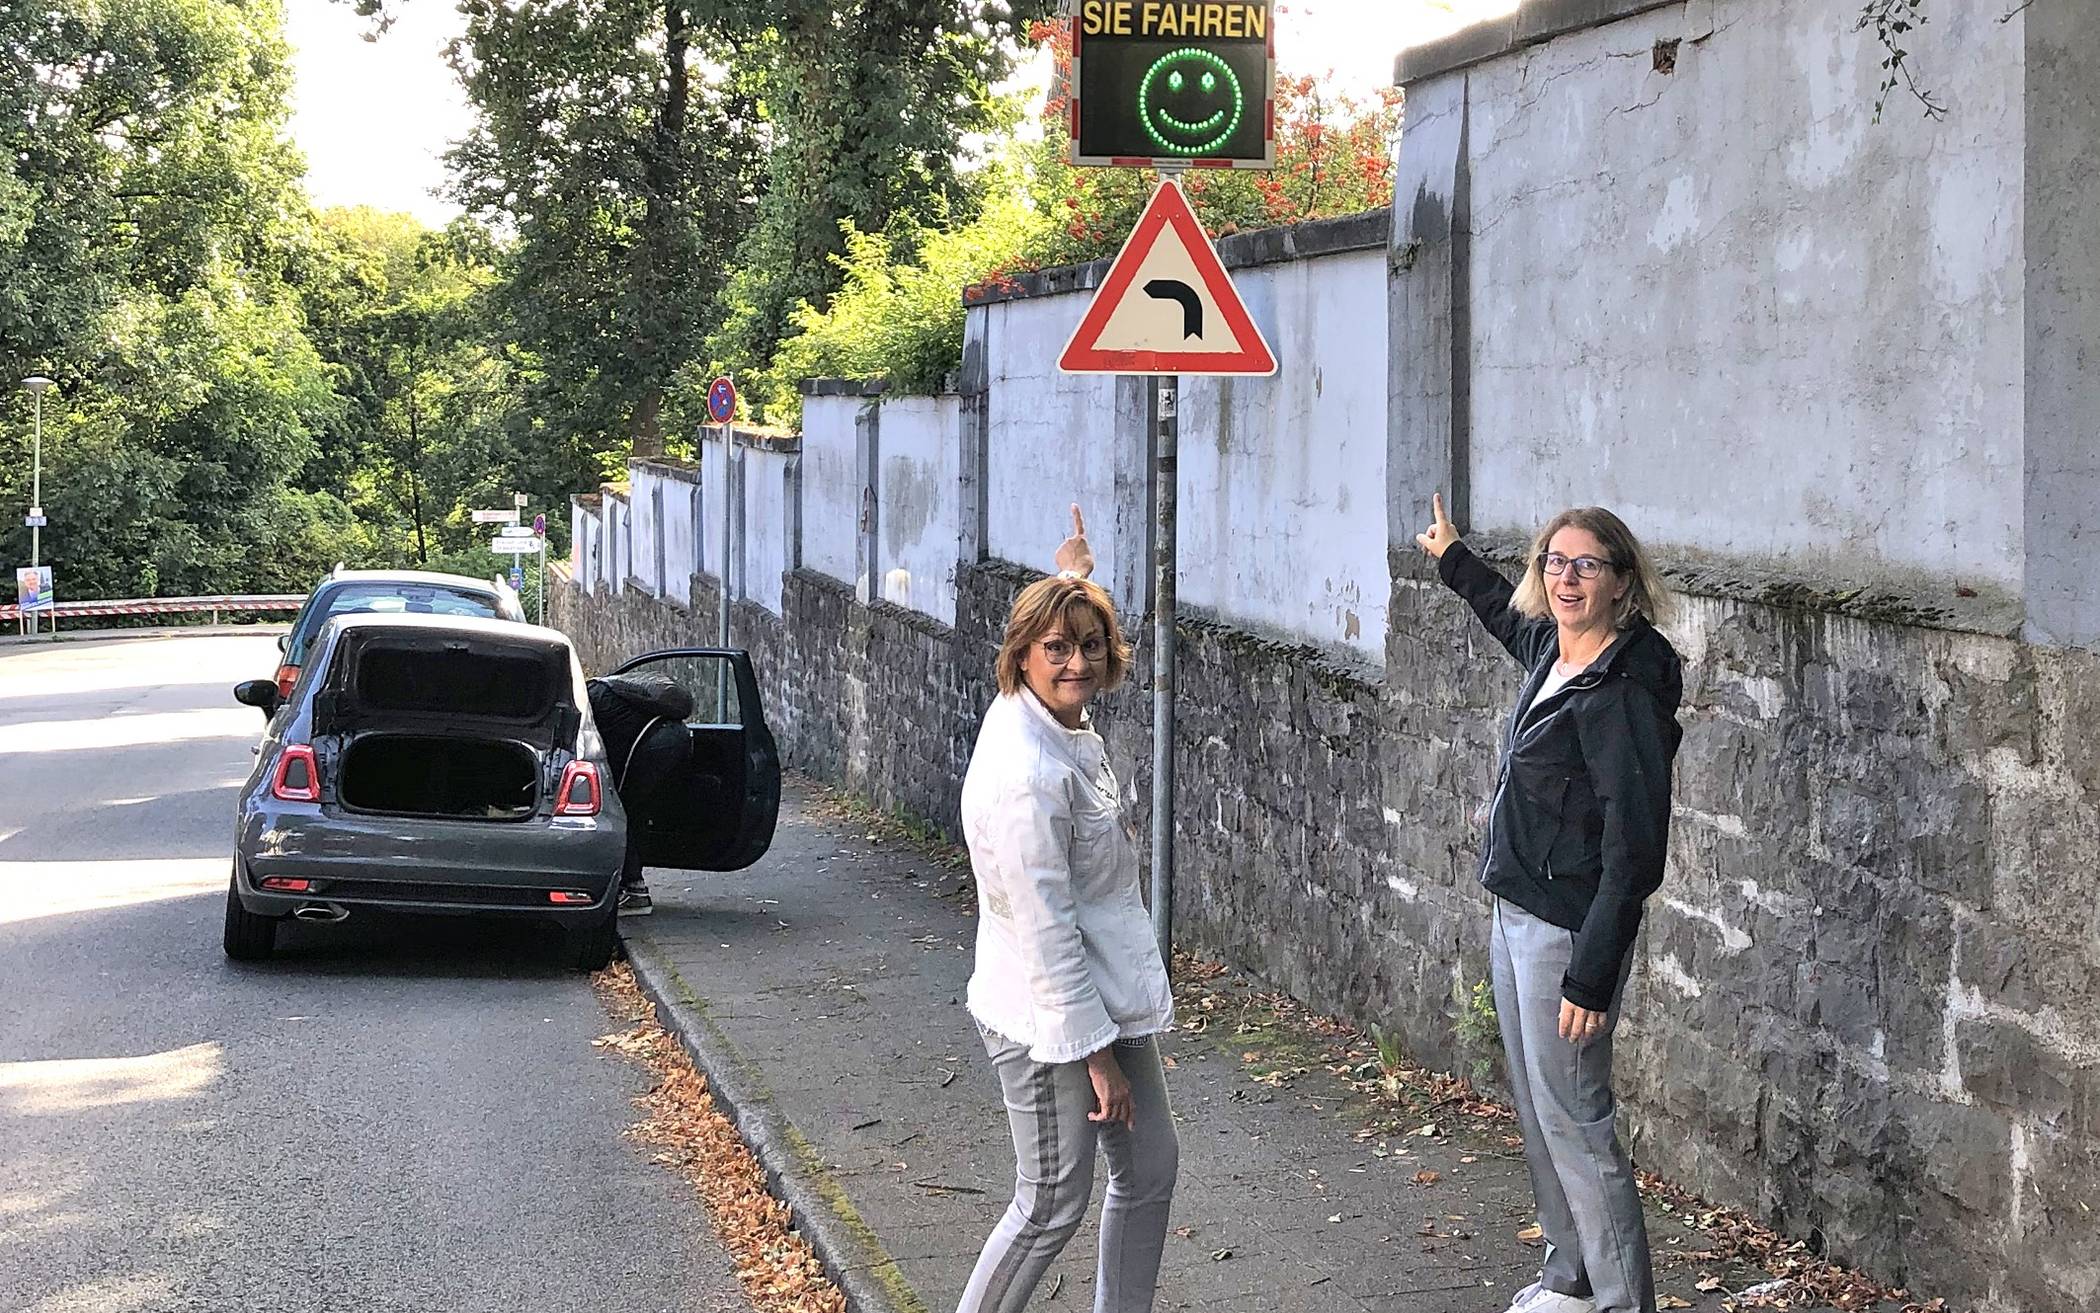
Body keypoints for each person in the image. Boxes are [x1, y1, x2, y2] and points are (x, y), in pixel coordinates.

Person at [1415, 494, 1682, 1313]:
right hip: (1516, 912)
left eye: (1586, 565)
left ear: (1620, 582)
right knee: (1537, 1106)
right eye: (1555, 562)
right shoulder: (1557, 655)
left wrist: (1591, 978)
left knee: (1576, 1116)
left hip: (1568, 932)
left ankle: (1619, 1299)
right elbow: (1507, 615)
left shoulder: (1620, 691)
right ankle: (1570, 1277)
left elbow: (1633, 853)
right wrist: (1453, 555)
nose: (1566, 578)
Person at [955, 505, 1178, 1313]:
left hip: (1099, 994)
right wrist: (1096, 1056)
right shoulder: (1026, 771)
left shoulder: (1054, 721)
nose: (1077, 661)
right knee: (1050, 1198)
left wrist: (1075, 573)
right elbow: (1047, 931)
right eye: (1056, 648)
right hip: (1043, 1016)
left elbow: (1067, 618)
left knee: (1148, 1168)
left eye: (1091, 645)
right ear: (1020, 657)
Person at [585, 671, 695, 916]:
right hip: (674, 738)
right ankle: (631, 885)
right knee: (637, 810)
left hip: (654, 745)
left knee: (622, 812)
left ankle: (635, 892)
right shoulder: (605, 691)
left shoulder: (586, 701)